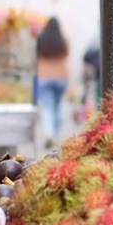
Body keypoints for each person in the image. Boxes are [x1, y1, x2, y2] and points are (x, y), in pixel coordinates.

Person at [34, 17, 71, 148]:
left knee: (47, 107)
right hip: (60, 76)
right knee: (56, 107)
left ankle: (48, 133)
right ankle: (55, 135)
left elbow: (36, 56)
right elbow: (66, 54)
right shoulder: (63, 41)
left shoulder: (40, 40)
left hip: (44, 76)